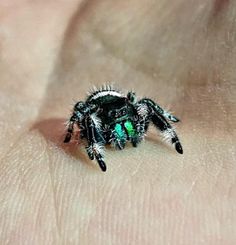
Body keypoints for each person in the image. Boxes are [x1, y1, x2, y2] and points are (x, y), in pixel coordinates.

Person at [0, 0, 235, 244]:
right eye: (123, 127)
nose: (127, 130)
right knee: (88, 115)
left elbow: (147, 106)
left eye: (130, 124)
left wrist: (168, 126)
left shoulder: (135, 112)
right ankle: (97, 150)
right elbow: (81, 113)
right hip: (99, 105)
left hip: (119, 100)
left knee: (146, 104)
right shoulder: (95, 117)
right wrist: (84, 140)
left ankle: (167, 132)